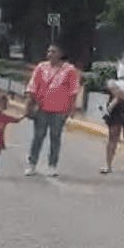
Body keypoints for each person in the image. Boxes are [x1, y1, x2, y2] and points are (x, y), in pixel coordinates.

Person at [25, 44, 81, 178]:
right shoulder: (41, 67)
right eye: (49, 51)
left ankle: (52, 165)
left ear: (61, 53)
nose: (50, 54)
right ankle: (32, 164)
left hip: (59, 110)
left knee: (55, 138)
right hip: (42, 108)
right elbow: (33, 86)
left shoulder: (69, 70)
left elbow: (73, 91)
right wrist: (29, 105)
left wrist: (70, 109)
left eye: (54, 51)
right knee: (38, 137)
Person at [100, 79, 124, 174]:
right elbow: (115, 91)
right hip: (116, 109)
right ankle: (108, 164)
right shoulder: (113, 82)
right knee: (113, 137)